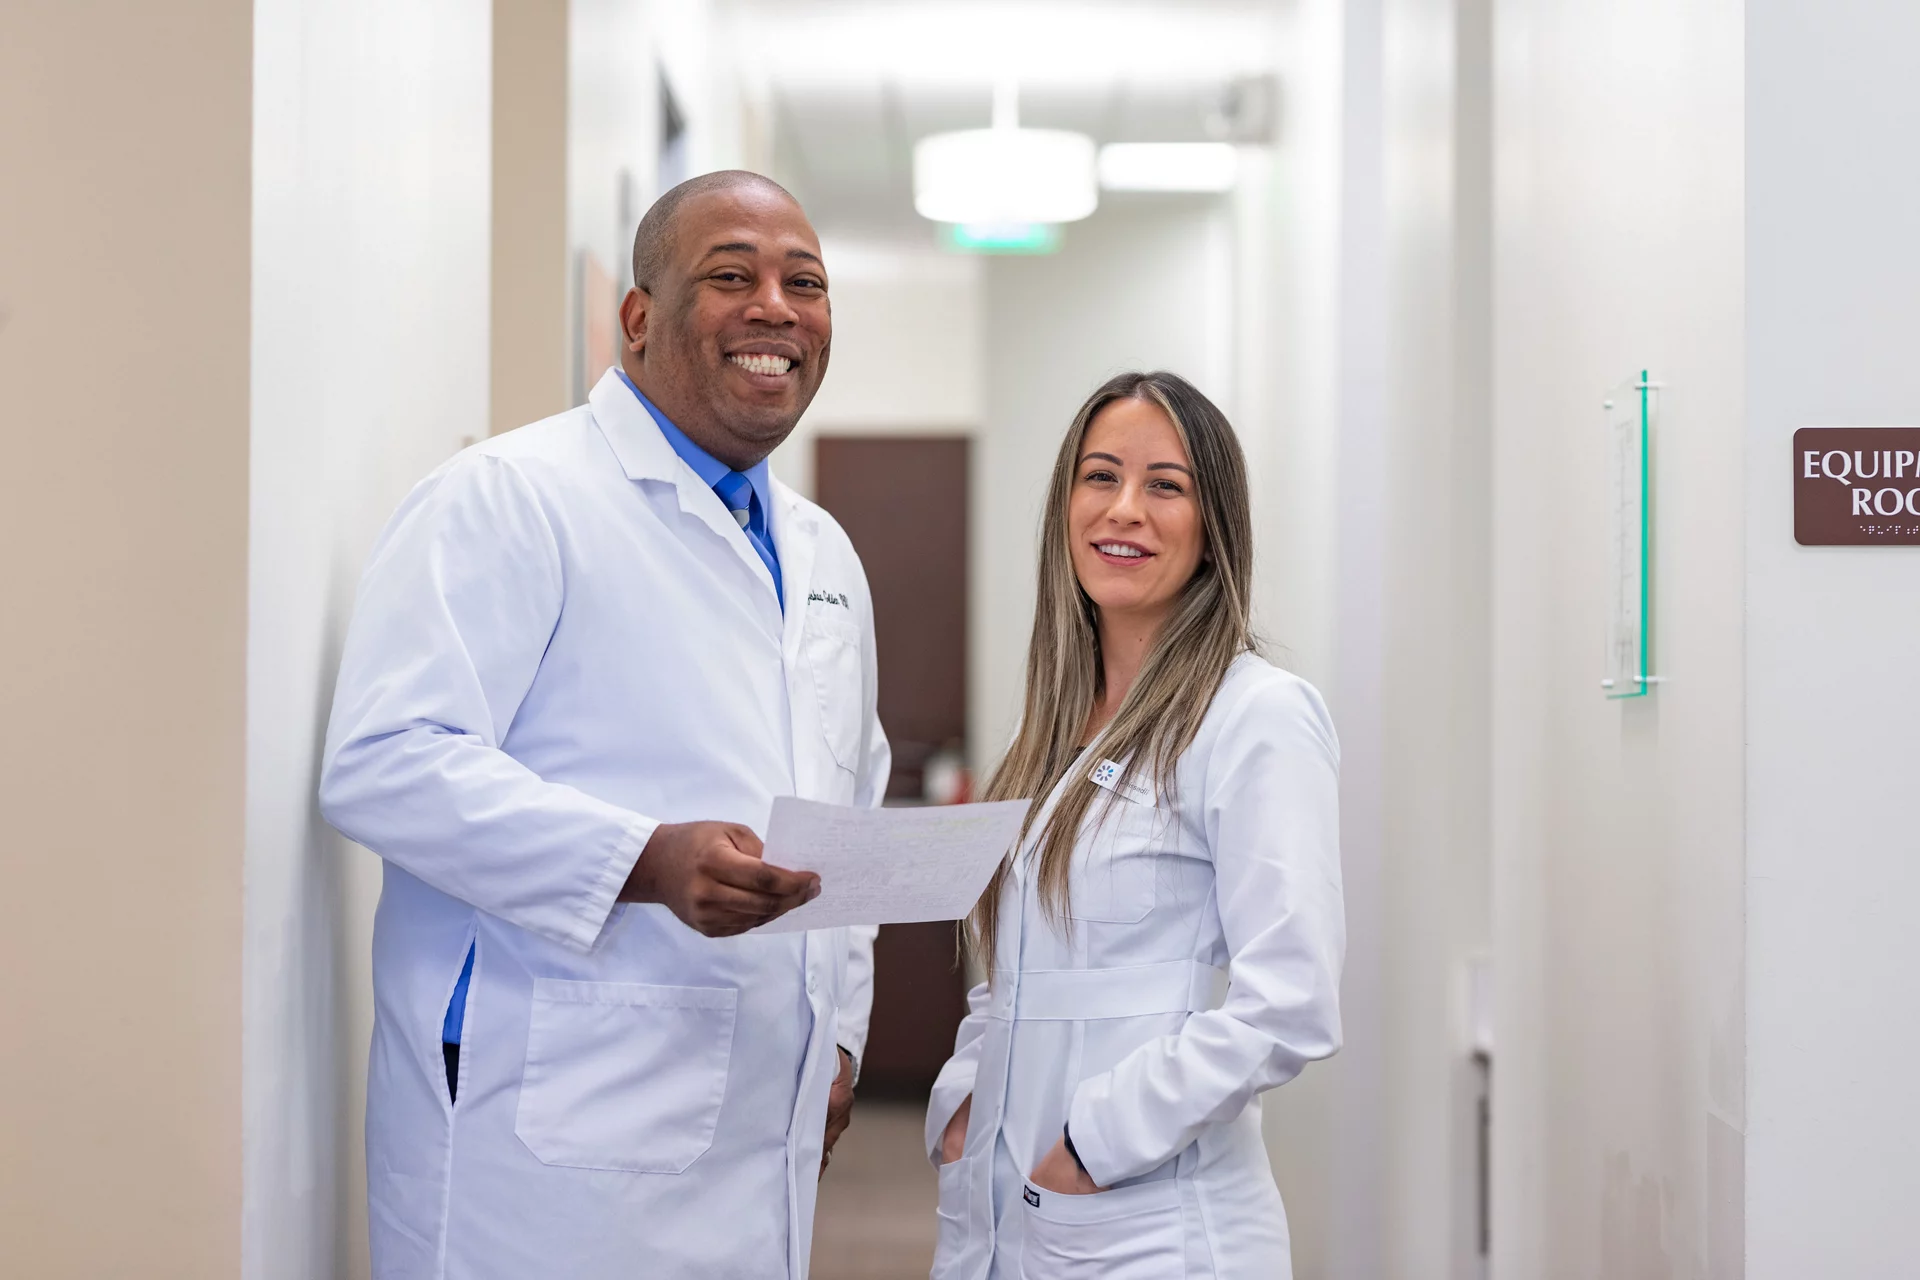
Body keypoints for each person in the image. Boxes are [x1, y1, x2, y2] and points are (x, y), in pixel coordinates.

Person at [319, 171, 888, 1280]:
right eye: (733, 275)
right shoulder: (506, 497)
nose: (777, 306)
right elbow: (383, 763)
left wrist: (845, 1032)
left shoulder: (823, 554)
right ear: (639, 317)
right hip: (544, 1139)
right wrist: (644, 857)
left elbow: (843, 805)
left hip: (759, 1120)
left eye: (804, 282)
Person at [925, 372, 1345, 1279]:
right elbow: (1025, 967)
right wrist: (964, 1105)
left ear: (1213, 526)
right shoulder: (1055, 727)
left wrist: (1096, 1144)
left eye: (1166, 485)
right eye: (1100, 476)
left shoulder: (1256, 715)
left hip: (1151, 1219)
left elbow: (1291, 1003)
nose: (1124, 510)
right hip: (1009, 1206)